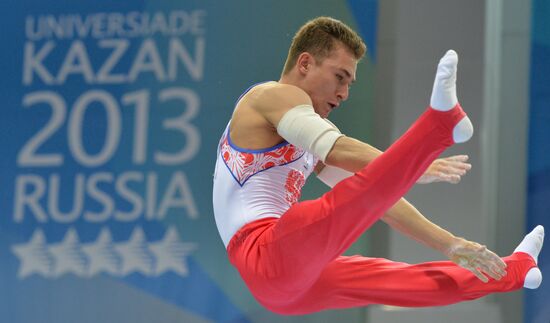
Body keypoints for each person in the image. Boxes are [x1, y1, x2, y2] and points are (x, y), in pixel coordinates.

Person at [212, 16, 544, 315]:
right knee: (341, 200)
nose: (343, 93)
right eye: (339, 77)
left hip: (286, 285)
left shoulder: (301, 141)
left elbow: (375, 199)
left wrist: (450, 244)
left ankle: (514, 271)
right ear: (305, 63)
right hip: (264, 254)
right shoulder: (272, 96)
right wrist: (411, 164)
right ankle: (440, 124)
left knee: (404, 283)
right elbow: (336, 147)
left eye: (349, 84)